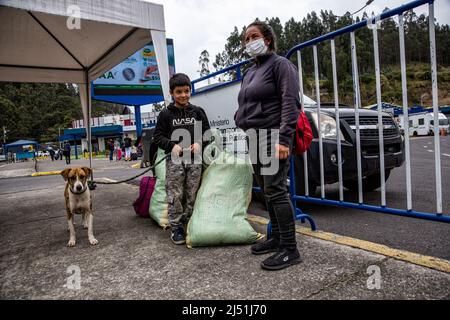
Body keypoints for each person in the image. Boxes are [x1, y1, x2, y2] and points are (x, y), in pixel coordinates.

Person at [234, 21, 301, 270]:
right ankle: (276, 238)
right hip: (254, 136)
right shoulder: (250, 72)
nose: (250, 42)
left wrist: (284, 139)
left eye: (254, 36)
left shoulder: (281, 65)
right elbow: (246, 102)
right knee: (265, 190)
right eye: (246, 39)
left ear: (268, 39)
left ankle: (290, 248)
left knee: (275, 190)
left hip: (273, 135)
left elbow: (290, 101)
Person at [153, 73, 211, 245]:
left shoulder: (198, 112)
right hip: (175, 162)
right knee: (175, 194)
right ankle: (176, 227)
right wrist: (172, 146)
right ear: (171, 93)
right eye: (179, 92)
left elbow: (207, 133)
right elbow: (157, 136)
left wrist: (200, 143)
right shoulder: (165, 114)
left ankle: (191, 222)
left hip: (195, 160)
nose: (183, 95)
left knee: (192, 193)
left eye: (187, 91)